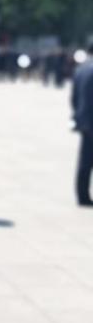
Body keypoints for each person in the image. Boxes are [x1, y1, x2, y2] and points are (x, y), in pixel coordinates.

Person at [71, 43, 93, 206]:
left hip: (85, 121)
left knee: (85, 160)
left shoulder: (81, 69)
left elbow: (74, 98)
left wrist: (79, 116)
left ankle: (82, 195)